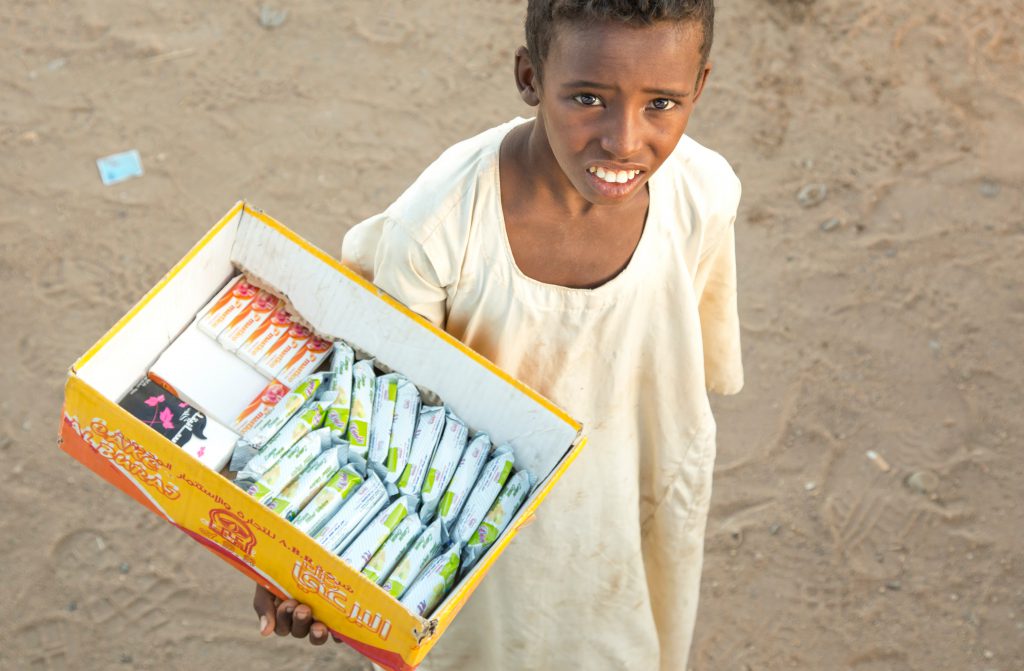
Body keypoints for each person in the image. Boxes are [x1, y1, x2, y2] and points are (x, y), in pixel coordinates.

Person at [253, 1, 743, 668]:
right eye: (588, 98)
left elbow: (686, 351)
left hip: (631, 503)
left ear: (701, 87)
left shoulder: (705, 194)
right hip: (481, 533)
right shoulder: (436, 233)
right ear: (529, 77)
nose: (625, 140)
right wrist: (304, 558)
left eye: (662, 104)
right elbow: (378, 421)